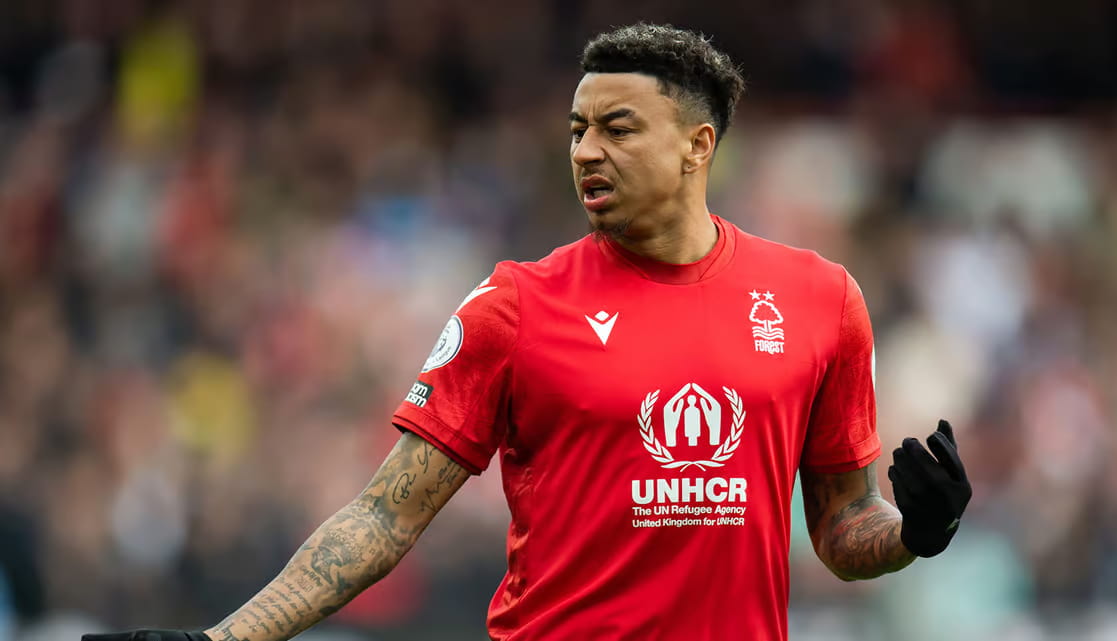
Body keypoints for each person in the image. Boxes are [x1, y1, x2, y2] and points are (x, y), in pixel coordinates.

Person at [82, 23, 971, 641]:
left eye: (617, 128)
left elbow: (843, 526)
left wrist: (914, 533)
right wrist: (223, 640)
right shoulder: (515, 304)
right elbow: (384, 516)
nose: (585, 150)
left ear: (698, 146)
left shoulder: (820, 298)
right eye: (577, 129)